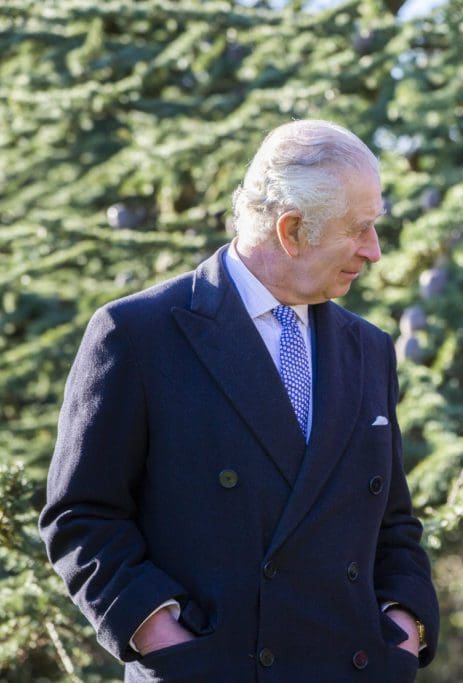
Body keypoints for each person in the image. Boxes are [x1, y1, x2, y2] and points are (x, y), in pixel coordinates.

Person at [40, 120, 439, 682]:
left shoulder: (369, 348)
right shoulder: (137, 333)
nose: (373, 251)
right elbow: (82, 515)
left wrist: (404, 626)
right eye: (360, 229)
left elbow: (393, 523)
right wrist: (161, 635)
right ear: (292, 230)